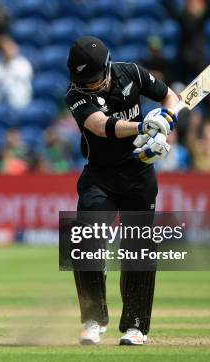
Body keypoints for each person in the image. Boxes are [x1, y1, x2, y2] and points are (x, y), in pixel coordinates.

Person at [64, 36, 180, 346]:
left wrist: (166, 122)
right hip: (100, 175)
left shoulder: (132, 73)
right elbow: (102, 126)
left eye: (94, 79)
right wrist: (145, 126)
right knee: (85, 236)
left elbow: (171, 98)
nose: (89, 86)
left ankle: (136, 326)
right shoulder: (75, 95)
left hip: (139, 174)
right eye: (83, 81)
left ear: (108, 65)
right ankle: (93, 318)